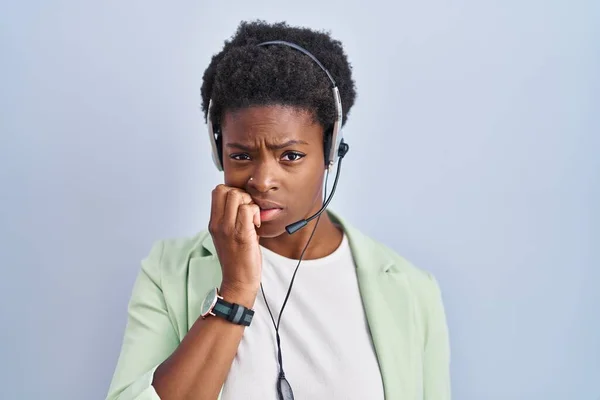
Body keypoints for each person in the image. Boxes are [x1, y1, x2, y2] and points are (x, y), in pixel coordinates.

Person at [106, 20, 451, 400]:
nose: (262, 180)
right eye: (241, 155)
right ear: (218, 153)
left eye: (290, 155)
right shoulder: (168, 271)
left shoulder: (413, 290)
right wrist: (235, 290)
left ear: (330, 151)